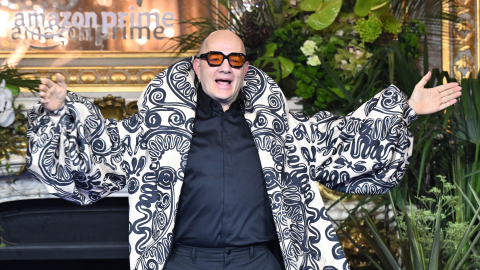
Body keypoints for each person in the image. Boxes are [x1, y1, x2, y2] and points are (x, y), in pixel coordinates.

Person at [26, 30, 462, 270]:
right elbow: (107, 148)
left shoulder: (278, 130)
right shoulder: (157, 131)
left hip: (258, 260)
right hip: (185, 261)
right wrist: (67, 110)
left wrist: (404, 109)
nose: (225, 67)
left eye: (235, 60)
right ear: (197, 67)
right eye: (214, 59)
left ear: (244, 69)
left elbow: (340, 139)